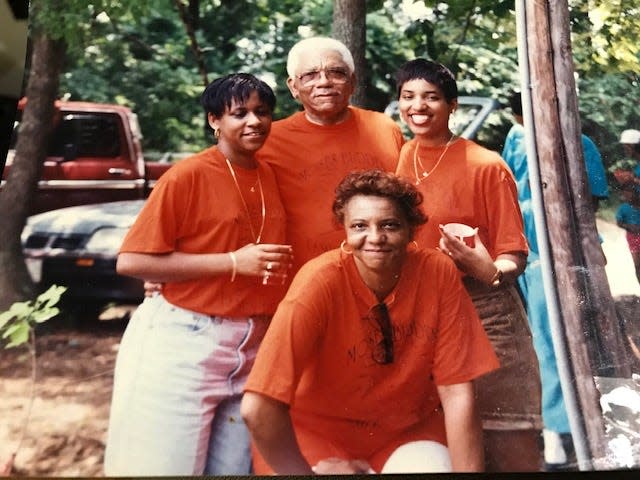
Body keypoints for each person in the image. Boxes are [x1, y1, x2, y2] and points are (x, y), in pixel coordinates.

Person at [241, 169, 500, 474]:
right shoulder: (318, 283)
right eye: (360, 226)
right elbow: (257, 409)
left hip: (403, 434)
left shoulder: (436, 273)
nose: (375, 238)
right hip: (316, 437)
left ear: (412, 230)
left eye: (389, 225)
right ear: (345, 230)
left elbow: (457, 393)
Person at [103, 73, 293, 476]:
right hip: (186, 343)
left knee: (232, 469)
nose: (254, 122)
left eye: (262, 112)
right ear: (214, 121)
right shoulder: (187, 175)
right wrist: (231, 262)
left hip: (252, 349)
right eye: (239, 113)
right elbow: (132, 261)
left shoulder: (269, 174)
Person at [393, 59, 543, 472]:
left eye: (431, 97)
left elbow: (514, 254)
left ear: (452, 105)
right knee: (445, 439)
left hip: (486, 311)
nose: (417, 106)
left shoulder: (486, 165)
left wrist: (489, 269)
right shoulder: (406, 154)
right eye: (408, 97)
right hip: (426, 311)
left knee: (507, 436)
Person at [501, 91, 611, 470]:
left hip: (570, 256)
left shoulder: (578, 142)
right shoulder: (516, 142)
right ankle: (557, 431)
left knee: (578, 337)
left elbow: (591, 199)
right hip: (534, 258)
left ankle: (576, 427)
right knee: (549, 341)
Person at [257, 36, 405, 273]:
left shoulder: (384, 128)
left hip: (380, 273)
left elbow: (405, 203)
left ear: (353, 82)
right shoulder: (268, 140)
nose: (324, 82)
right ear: (293, 86)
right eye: (310, 75)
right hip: (304, 277)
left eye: (336, 72)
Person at [616, 182, 640, 285]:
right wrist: (629, 226)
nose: (628, 195)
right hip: (632, 237)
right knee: (637, 264)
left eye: (630, 192)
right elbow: (619, 222)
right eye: (626, 193)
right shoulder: (623, 208)